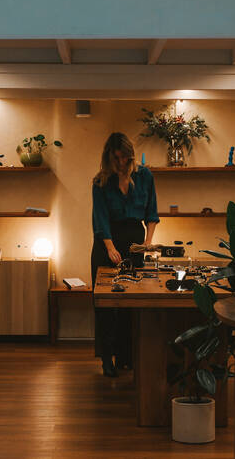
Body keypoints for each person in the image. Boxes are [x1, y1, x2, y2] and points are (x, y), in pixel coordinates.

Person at [91, 132, 159, 377]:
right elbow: (100, 220)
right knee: (107, 306)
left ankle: (127, 358)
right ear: (109, 157)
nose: (120, 163)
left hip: (135, 242)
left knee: (132, 303)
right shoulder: (100, 182)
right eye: (116, 158)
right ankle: (107, 359)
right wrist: (110, 248)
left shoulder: (145, 176)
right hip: (106, 243)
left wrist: (147, 244)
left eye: (124, 158)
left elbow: (152, 214)